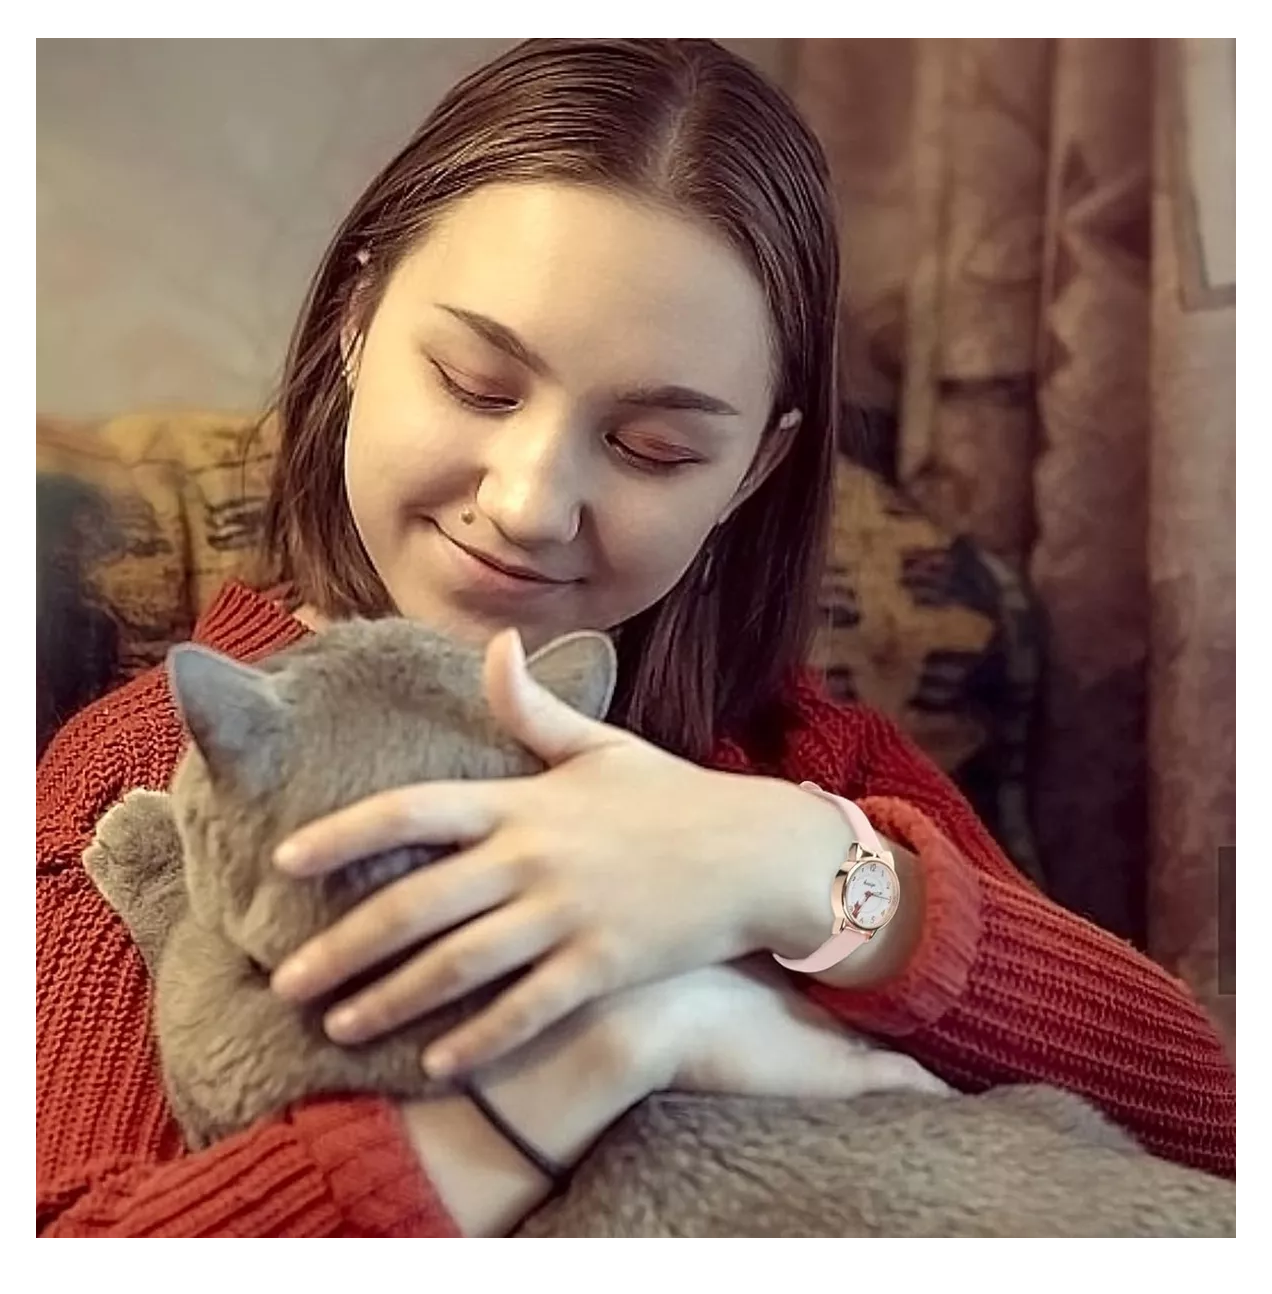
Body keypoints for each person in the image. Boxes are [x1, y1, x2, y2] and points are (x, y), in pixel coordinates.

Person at [36, 38, 1235, 1238]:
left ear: (753, 468)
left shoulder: (807, 766)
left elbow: (1211, 1121)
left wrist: (799, 870)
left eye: (654, 448)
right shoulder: (146, 781)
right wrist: (612, 1056)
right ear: (357, 321)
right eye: (475, 382)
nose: (528, 504)